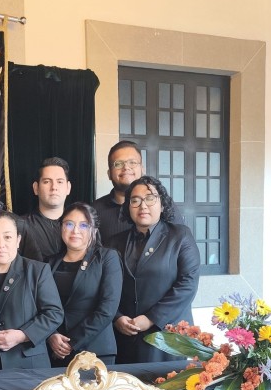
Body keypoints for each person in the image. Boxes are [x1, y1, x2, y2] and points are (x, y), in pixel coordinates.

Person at [106, 176, 201, 364]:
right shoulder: (113, 243)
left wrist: (150, 318)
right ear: (128, 206)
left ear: (162, 204)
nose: (143, 206)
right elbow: (105, 286)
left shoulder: (180, 236)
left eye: (150, 198)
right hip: (125, 337)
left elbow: (187, 285)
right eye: (135, 200)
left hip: (167, 336)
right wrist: (117, 317)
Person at [0, 211, 64, 371]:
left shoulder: (37, 271)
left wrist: (22, 335)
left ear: (18, 240)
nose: (1, 245)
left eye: (7, 237)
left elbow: (54, 313)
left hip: (29, 365)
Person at [46, 203, 122, 367]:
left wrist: (71, 342)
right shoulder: (48, 263)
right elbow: (39, 306)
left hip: (96, 351)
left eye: (83, 225)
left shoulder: (107, 258)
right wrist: (51, 335)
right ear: (61, 227)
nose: (75, 231)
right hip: (54, 350)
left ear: (94, 230)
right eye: (69, 224)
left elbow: (107, 309)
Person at [20, 157, 71, 262]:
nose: (54, 187)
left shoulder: (82, 225)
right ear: (36, 188)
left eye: (60, 182)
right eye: (47, 182)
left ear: (68, 188)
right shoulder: (20, 226)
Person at [92, 141, 144, 242]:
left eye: (132, 162)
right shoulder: (94, 211)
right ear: (109, 174)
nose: (126, 167)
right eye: (118, 164)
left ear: (142, 169)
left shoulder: (159, 205)